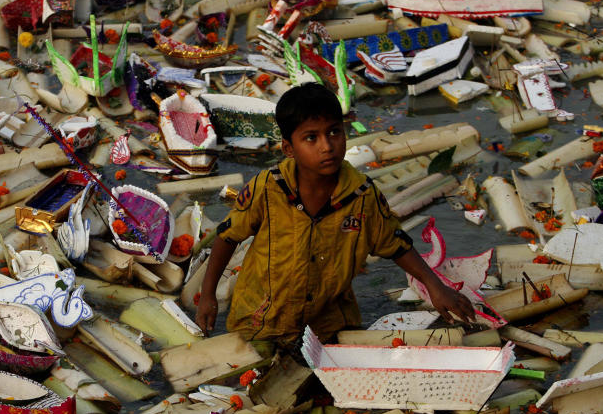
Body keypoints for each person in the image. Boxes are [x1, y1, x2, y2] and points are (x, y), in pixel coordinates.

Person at [194, 83, 475, 345]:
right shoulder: (268, 189)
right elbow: (228, 237)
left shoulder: (363, 196)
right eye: (311, 138)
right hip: (262, 319)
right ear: (289, 148)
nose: (326, 146)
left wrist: (435, 287)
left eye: (333, 132)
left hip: (327, 322)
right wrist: (208, 296)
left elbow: (395, 244)